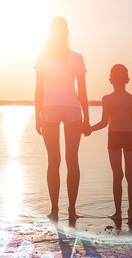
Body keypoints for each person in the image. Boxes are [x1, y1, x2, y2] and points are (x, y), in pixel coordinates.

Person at [34, 17, 90, 224]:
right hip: (72, 110)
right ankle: (72, 210)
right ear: (66, 32)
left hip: (48, 110)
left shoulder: (43, 58)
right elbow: (82, 91)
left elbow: (38, 90)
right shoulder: (77, 57)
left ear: (50, 32)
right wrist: (87, 116)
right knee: (72, 160)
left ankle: (55, 210)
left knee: (53, 160)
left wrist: (37, 115)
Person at [88, 64, 132, 224]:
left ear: (110, 80)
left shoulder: (107, 99)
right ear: (127, 80)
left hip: (114, 137)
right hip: (129, 136)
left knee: (117, 175)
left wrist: (90, 129)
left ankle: (118, 212)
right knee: (130, 174)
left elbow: (104, 122)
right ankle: (131, 212)